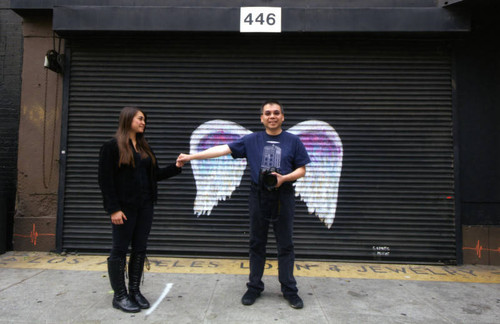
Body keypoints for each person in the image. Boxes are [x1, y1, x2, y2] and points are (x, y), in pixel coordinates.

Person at [177, 100, 310, 309]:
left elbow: (302, 169)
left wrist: (283, 179)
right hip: (258, 196)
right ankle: (254, 287)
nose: (272, 116)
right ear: (262, 118)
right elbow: (222, 149)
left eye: (276, 113)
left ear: (282, 117)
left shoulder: (293, 141)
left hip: (283, 196)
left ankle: (289, 290)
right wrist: (191, 156)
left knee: (286, 244)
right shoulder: (252, 140)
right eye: (268, 113)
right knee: (257, 243)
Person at [98, 106, 183, 313]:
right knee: (119, 249)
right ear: (127, 119)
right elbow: (105, 181)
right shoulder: (111, 147)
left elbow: (155, 176)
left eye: (144, 119)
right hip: (124, 209)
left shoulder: (144, 148)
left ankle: (134, 291)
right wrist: (113, 209)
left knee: (140, 248)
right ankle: (119, 296)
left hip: (145, 207)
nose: (143, 122)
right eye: (140, 118)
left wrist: (177, 166)